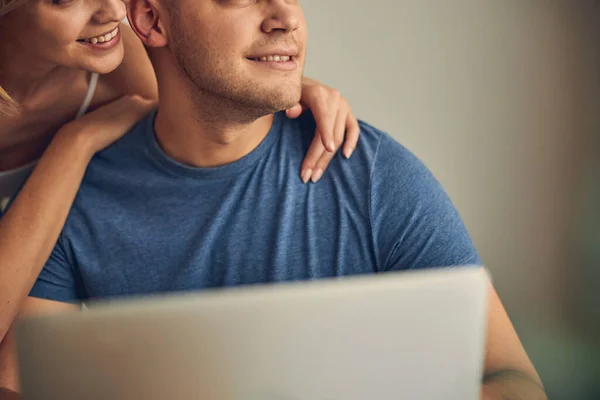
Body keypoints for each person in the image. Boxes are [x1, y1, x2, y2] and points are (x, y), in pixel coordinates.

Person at [0, 0, 547, 399]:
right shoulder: (69, 196)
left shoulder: (370, 172)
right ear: (152, 20)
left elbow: (512, 380)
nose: (287, 16)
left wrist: (276, 76)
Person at [0, 0, 361, 343]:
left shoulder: (116, 60)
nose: (113, 11)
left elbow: (201, 100)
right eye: (65, 0)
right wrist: (75, 143)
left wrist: (290, 84)